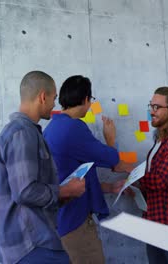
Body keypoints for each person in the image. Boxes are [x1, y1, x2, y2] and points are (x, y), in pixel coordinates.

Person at [0, 71, 86, 264]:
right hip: (31, 244)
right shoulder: (22, 133)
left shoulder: (26, 133)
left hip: (33, 242)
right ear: (43, 96)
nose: (54, 105)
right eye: (54, 98)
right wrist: (65, 190)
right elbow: (25, 191)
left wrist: (63, 195)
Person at [43, 75, 133, 263]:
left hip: (59, 220)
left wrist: (109, 187)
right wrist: (110, 139)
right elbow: (112, 160)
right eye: (90, 100)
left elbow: (75, 174)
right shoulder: (73, 128)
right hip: (74, 222)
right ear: (85, 100)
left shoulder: (53, 127)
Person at [138, 86, 168, 264]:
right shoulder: (160, 140)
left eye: (157, 107)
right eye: (150, 106)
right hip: (154, 220)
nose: (152, 111)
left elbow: (161, 180)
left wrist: (135, 177)